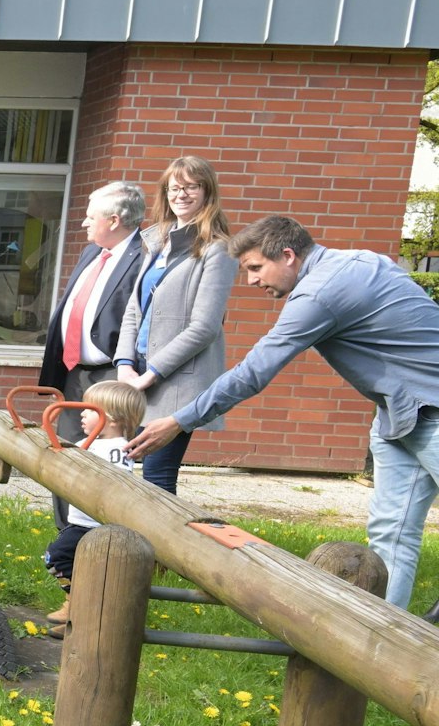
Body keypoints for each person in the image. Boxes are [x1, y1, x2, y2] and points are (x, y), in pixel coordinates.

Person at [131, 216, 439, 610]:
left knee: (394, 534)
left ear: (289, 255)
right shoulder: (360, 260)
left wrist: (178, 420)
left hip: (431, 409)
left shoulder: (320, 294)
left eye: (256, 268)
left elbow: (254, 372)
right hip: (399, 415)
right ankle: (388, 639)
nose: (251, 281)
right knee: (391, 533)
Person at [115, 156, 236, 494]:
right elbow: (133, 310)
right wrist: (125, 366)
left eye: (191, 187)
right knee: (121, 470)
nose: (181, 194)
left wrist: (149, 375)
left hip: (174, 381)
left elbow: (205, 327)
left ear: (207, 191)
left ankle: (156, 547)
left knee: (156, 478)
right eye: (174, 188)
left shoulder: (218, 249)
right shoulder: (155, 242)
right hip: (135, 375)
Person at [39, 180, 146, 526]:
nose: (84, 223)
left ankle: (97, 536)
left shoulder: (145, 256)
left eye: (90, 217)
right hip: (74, 371)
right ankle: (65, 534)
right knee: (65, 451)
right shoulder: (92, 253)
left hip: (111, 375)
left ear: (114, 220)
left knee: (101, 459)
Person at [44, 380, 146, 629]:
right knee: (85, 566)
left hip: (87, 523)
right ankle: (81, 611)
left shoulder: (99, 448)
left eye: (89, 409)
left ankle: (77, 603)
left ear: (110, 418)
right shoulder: (120, 448)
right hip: (94, 522)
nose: (82, 413)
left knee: (55, 558)